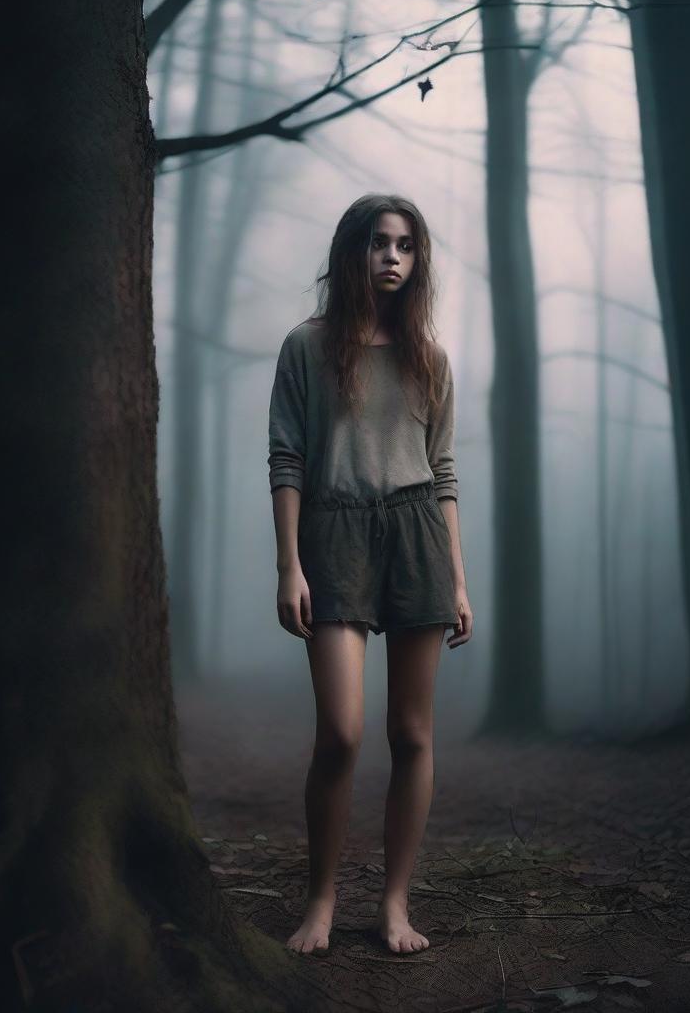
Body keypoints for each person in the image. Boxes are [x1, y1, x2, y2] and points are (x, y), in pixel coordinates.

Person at [268, 193, 473, 957]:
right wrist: (288, 565)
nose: (392, 257)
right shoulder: (307, 347)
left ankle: (394, 905)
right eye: (378, 243)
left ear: (417, 261)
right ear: (351, 252)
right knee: (343, 733)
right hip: (335, 535)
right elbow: (286, 457)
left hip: (417, 533)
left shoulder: (431, 358)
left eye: (406, 246)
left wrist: (456, 581)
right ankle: (319, 902)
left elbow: (444, 472)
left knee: (412, 735)